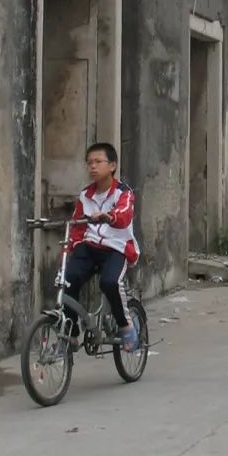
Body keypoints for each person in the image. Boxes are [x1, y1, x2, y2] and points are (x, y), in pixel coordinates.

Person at [63, 142, 140, 352]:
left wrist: (109, 216)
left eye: (98, 162)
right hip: (90, 247)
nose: (93, 167)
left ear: (112, 165)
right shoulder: (85, 195)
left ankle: (125, 325)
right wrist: (74, 247)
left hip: (116, 248)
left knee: (109, 282)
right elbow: (77, 225)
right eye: (89, 163)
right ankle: (70, 333)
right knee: (67, 280)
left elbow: (124, 215)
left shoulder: (123, 193)